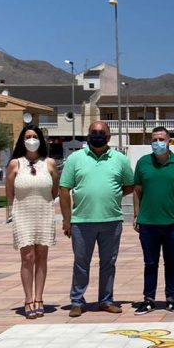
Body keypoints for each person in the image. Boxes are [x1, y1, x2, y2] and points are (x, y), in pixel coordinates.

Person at [59, 121, 134, 317]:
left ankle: (106, 300)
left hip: (111, 220)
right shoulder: (75, 158)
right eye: (94, 132)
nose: (98, 135)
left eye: (102, 132)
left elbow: (130, 185)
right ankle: (77, 301)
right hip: (81, 221)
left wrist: (113, 195)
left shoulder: (120, 159)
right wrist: (67, 220)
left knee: (108, 263)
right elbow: (64, 188)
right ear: (88, 136)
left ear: (109, 137)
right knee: (81, 263)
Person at [132, 126, 174, 314]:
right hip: (148, 223)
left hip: (173, 224)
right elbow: (137, 190)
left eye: (161, 139)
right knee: (150, 263)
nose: (157, 143)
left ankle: (171, 298)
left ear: (170, 141)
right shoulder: (143, 163)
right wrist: (137, 214)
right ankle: (149, 299)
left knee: (171, 262)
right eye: (153, 140)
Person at [5, 126, 59, 319]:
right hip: (23, 214)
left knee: (42, 257)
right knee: (27, 257)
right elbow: (10, 193)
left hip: (43, 213)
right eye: (28, 136)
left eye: (35, 136)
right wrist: (12, 212)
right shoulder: (14, 164)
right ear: (22, 140)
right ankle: (28, 299)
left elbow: (55, 191)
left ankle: (39, 298)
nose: (31, 140)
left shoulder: (50, 163)